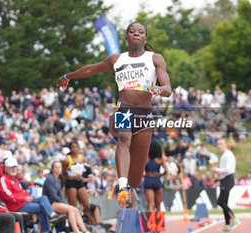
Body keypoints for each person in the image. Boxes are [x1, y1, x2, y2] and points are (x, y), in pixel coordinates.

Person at [57, 22, 171, 207]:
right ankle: (122, 185)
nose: (136, 34)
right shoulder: (117, 60)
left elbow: (168, 89)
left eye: (140, 32)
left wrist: (159, 88)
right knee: (124, 138)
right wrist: (68, 76)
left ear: (145, 38)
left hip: (144, 115)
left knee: (136, 177)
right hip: (124, 108)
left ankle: (128, 189)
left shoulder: (155, 58)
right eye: (132, 32)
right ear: (126, 38)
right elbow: (90, 69)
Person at [0, 157, 66, 233]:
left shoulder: (13, 178)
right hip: (16, 206)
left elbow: (20, 192)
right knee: (41, 207)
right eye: (11, 167)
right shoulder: (4, 179)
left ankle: (52, 215)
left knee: (43, 198)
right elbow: (8, 196)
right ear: (6, 168)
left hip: (23, 202)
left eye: (15, 167)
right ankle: (47, 229)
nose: (14, 169)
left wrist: (29, 196)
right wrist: (25, 198)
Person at [43, 161, 90, 233]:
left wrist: (66, 203)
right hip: (50, 203)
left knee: (75, 209)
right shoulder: (50, 179)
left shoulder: (58, 180)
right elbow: (53, 195)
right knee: (70, 210)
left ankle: (84, 230)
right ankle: (76, 230)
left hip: (57, 202)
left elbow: (60, 195)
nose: (58, 169)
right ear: (52, 169)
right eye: (56, 167)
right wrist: (64, 204)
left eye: (59, 167)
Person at [211, 138, 240, 232]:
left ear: (226, 144)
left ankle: (234, 219)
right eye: (218, 144)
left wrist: (216, 170)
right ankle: (227, 224)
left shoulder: (228, 154)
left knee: (220, 201)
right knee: (224, 202)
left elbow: (228, 169)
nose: (219, 146)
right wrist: (218, 177)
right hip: (224, 180)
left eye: (221, 144)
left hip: (228, 179)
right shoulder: (224, 155)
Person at [61, 141, 92, 220]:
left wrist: (83, 177)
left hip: (80, 182)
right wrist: (67, 180)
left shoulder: (82, 157)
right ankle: (74, 224)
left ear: (78, 148)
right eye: (72, 147)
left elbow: (86, 169)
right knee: (73, 206)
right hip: (71, 183)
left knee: (87, 205)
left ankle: (86, 221)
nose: (74, 149)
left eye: (76, 147)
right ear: (70, 149)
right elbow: (62, 173)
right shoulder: (67, 160)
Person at [144, 140, 168, 211]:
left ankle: (149, 222)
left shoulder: (146, 159)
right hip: (157, 179)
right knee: (158, 206)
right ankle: (158, 221)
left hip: (148, 179)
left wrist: (144, 175)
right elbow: (166, 170)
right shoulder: (160, 159)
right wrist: (160, 175)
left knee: (150, 205)